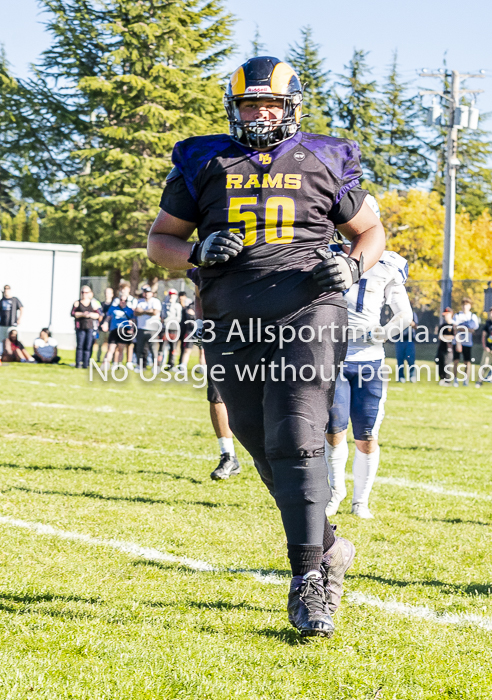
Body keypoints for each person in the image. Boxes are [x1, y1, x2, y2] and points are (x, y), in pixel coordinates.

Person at [147, 56, 385, 637]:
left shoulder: (324, 157)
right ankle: (329, 548)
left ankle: (310, 583)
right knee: (258, 440)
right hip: (231, 316)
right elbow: (160, 243)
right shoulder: (205, 160)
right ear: (234, 107)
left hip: (309, 308)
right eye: (251, 103)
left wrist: (351, 265)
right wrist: (197, 253)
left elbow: (372, 230)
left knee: (298, 432)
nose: (261, 112)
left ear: (291, 105)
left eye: (270, 102)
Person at [325, 240, 412, 519]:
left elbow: (404, 314)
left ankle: (361, 501)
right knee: (334, 431)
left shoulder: (387, 264)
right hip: (333, 357)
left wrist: (382, 333)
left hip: (370, 362)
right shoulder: (326, 254)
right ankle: (335, 492)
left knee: (367, 435)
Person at [187, 268, 241, 480]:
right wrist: (200, 322)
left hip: (255, 331)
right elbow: (199, 295)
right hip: (219, 333)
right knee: (216, 394)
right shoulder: (205, 258)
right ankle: (228, 455)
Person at [101, 291, 136, 366]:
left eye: (125, 300)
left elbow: (133, 321)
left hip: (124, 330)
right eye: (121, 300)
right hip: (114, 330)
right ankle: (106, 364)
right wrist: (105, 324)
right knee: (111, 348)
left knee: (121, 349)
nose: (123, 302)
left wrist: (132, 329)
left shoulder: (129, 310)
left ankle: (118, 364)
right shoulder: (113, 308)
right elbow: (108, 318)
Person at [71, 286, 102, 369]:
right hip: (80, 327)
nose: (84, 294)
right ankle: (78, 363)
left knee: (88, 346)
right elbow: (73, 313)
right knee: (80, 345)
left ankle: (86, 363)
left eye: (86, 292)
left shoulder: (93, 303)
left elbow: (98, 315)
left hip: (90, 327)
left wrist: (90, 314)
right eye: (82, 292)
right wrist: (82, 314)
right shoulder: (77, 303)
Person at [452, 297, 479, 387]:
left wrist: (462, 328)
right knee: (456, 361)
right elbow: (455, 328)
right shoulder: (457, 315)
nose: (465, 307)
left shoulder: (473, 317)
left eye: (467, 305)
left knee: (467, 362)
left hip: (467, 342)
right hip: (457, 342)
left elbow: (473, 330)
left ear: (470, 306)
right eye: (463, 305)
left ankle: (465, 380)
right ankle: (455, 380)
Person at [134, 285, 162, 368]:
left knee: (153, 348)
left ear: (152, 293)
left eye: (148, 292)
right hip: (141, 328)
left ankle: (155, 365)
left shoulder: (155, 301)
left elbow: (154, 312)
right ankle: (140, 365)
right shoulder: (140, 301)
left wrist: (142, 311)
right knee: (140, 348)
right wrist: (148, 311)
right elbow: (136, 312)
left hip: (152, 329)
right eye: (145, 292)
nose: (146, 294)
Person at [158, 288, 182, 369]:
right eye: (170, 295)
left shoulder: (178, 306)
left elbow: (178, 319)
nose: (172, 296)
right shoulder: (164, 304)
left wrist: (168, 320)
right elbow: (162, 316)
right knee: (162, 348)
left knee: (173, 348)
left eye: (173, 295)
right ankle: (159, 364)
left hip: (174, 329)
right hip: (165, 329)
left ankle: (171, 365)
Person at [394, 309, 418, 383]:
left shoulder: (412, 314)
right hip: (400, 340)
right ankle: (400, 377)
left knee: (410, 359)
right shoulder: (397, 314)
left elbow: (416, 326)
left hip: (409, 340)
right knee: (400, 359)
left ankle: (412, 376)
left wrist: (410, 322)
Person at [435, 308, 456, 385]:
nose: (445, 317)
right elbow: (440, 337)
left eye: (447, 315)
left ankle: (447, 380)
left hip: (449, 348)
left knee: (446, 363)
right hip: (441, 347)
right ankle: (442, 378)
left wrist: (446, 337)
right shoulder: (442, 326)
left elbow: (453, 336)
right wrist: (447, 337)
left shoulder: (454, 326)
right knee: (439, 362)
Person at [1, 285, 24, 354]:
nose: (6, 290)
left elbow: (21, 308)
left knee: (15, 339)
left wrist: (19, 319)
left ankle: (18, 353)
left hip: (12, 324)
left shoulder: (15, 299)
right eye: (5, 289)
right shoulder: (2, 300)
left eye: (7, 289)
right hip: (3, 324)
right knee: (2, 340)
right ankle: (3, 354)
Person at [177, 291, 197, 370]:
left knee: (203, 351)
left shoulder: (206, 306)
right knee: (187, 350)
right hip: (190, 331)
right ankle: (182, 367)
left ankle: (203, 369)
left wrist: (194, 315)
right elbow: (188, 319)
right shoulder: (190, 306)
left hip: (201, 331)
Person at [96, 287, 114, 362]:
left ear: (112, 294)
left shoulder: (114, 305)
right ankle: (98, 359)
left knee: (111, 345)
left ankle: (110, 360)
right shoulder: (101, 304)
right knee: (100, 344)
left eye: (109, 293)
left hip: (111, 328)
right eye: (106, 292)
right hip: (101, 327)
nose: (107, 294)